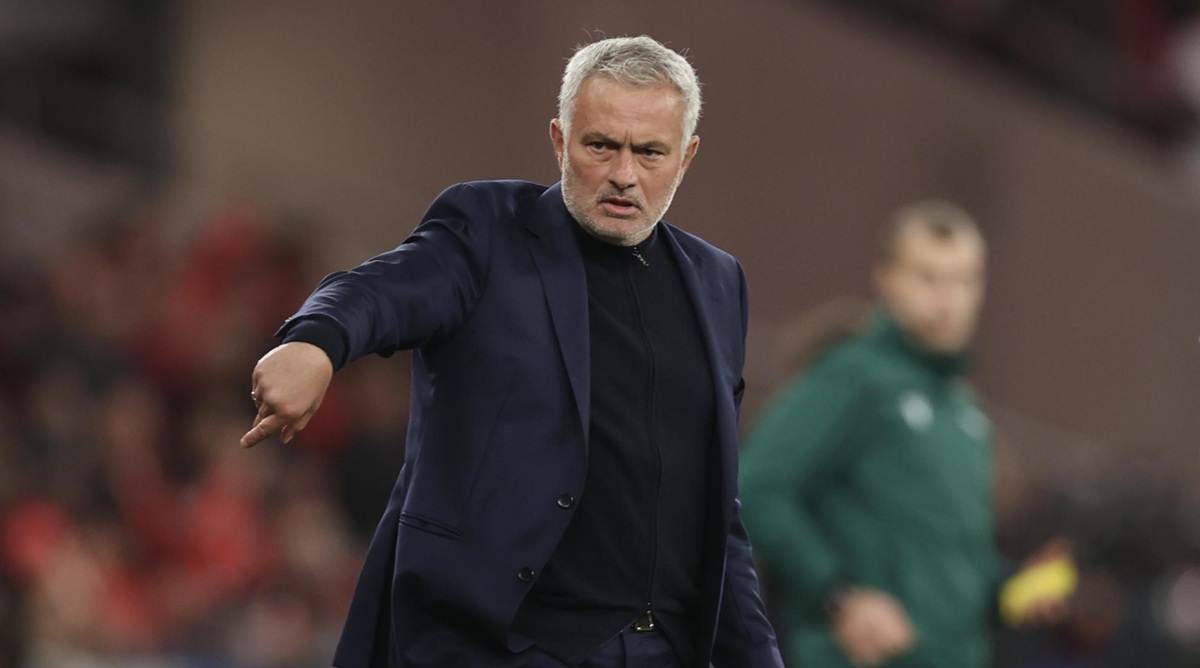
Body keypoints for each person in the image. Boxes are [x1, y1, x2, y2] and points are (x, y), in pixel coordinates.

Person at [240, 35, 783, 668]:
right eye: (601, 145)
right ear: (559, 140)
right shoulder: (488, 228)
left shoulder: (718, 281)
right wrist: (316, 341)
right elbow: (381, 289)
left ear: (685, 157)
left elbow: (717, 507)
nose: (624, 174)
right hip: (495, 643)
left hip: (660, 649)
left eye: (649, 152)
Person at [738, 201, 1071, 668]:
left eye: (962, 279)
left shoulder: (965, 412)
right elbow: (757, 486)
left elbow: (954, 562)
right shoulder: (854, 376)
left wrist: (1015, 587)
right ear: (888, 280)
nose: (946, 297)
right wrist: (839, 596)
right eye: (928, 277)